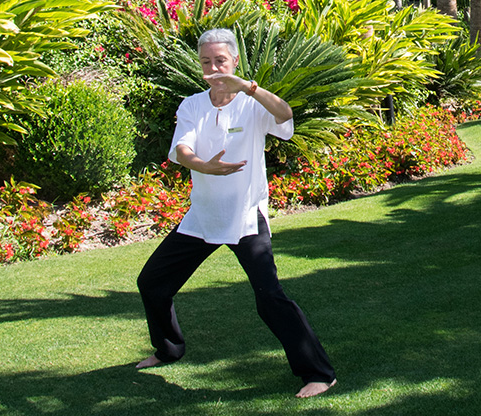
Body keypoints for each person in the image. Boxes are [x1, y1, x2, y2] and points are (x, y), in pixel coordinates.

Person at [136, 28, 337, 397]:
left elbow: (285, 114)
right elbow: (182, 149)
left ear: (235, 62)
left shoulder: (251, 102)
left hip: (245, 216)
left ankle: (319, 373)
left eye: (220, 61)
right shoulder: (193, 104)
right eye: (206, 62)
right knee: (152, 283)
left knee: (269, 297)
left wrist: (249, 87)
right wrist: (203, 166)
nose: (213, 69)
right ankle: (168, 350)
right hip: (202, 217)